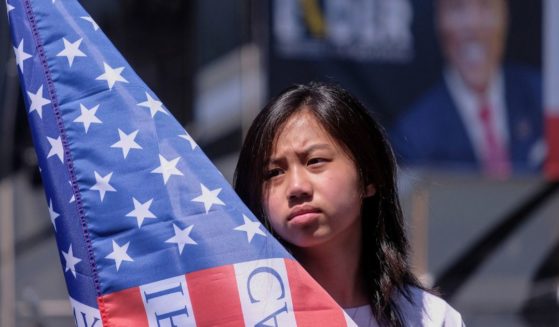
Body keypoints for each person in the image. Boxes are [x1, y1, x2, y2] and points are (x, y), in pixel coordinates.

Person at [234, 82, 464, 326]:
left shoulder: (431, 319)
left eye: (315, 161)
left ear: (369, 177)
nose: (296, 187)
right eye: (273, 173)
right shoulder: (237, 314)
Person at [390, 0, 543, 177]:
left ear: (505, 16)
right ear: (438, 20)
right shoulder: (414, 136)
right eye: (457, 8)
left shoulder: (541, 97)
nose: (473, 26)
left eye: (486, 6)